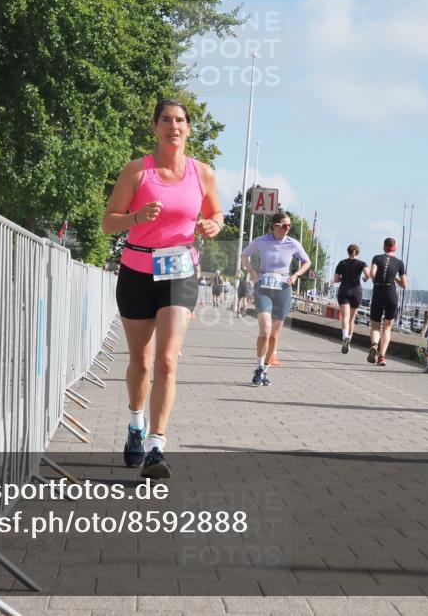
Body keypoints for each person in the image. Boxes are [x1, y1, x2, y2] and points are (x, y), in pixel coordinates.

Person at [102, 98, 224, 479]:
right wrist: (136, 217)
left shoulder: (202, 173)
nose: (174, 126)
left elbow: (216, 213)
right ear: (155, 127)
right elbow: (108, 223)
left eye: (181, 121)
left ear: (188, 129)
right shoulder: (137, 171)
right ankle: (136, 425)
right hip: (137, 268)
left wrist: (214, 225)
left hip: (179, 270)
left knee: (168, 360)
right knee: (140, 361)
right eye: (167, 120)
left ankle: (157, 446)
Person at [241, 211, 312, 385]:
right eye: (285, 226)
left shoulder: (292, 243)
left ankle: (265, 369)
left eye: (290, 226)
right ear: (274, 226)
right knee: (265, 330)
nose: (288, 229)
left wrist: (296, 275)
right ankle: (258, 368)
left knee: (274, 336)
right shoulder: (261, 241)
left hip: (283, 288)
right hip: (264, 286)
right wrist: (252, 272)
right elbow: (244, 255)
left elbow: (307, 261)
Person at [368, 238, 407, 366]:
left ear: (384, 247)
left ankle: (374, 345)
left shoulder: (377, 258)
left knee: (375, 325)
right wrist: (394, 277)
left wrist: (377, 281)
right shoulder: (399, 263)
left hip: (378, 292)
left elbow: (372, 273)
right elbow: (404, 284)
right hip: (391, 294)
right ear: (394, 247)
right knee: (387, 327)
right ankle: (382, 357)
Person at [333, 244, 369, 354]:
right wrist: (364, 279)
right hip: (356, 291)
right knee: (352, 319)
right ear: (357, 253)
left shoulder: (341, 263)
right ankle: (349, 339)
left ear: (348, 252)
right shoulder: (362, 264)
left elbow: (335, 279)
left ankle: (344, 337)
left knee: (345, 317)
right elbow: (368, 275)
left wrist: (343, 278)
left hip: (344, 290)